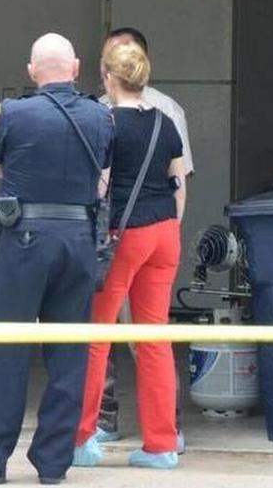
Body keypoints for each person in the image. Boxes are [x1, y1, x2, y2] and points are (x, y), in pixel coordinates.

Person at [0, 33, 114, 486]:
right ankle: (54, 463)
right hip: (79, 239)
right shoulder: (100, 116)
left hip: (24, 239)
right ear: (76, 68)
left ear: (31, 71)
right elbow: (103, 175)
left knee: (7, 350)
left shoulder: (15, 113)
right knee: (68, 353)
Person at [73, 41, 186, 470]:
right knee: (154, 337)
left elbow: (100, 185)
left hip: (124, 234)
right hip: (165, 234)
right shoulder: (164, 121)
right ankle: (161, 445)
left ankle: (82, 439)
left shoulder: (105, 124)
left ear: (108, 77)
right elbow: (177, 180)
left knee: (96, 336)